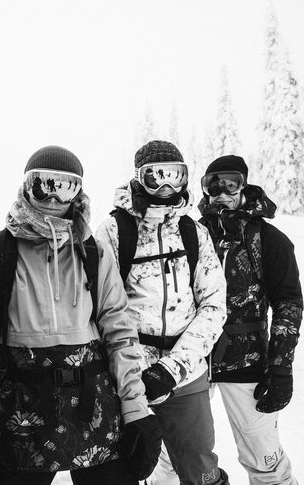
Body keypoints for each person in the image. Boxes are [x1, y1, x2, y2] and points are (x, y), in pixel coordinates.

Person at [0, 146, 162, 485]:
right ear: (25, 187)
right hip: (20, 409)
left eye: (65, 186)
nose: (53, 196)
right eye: (43, 184)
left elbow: (119, 333)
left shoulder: (94, 254)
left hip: (94, 402)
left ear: (78, 193)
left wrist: (135, 406)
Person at [97, 140, 229, 485]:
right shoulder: (114, 232)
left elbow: (214, 305)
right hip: (127, 375)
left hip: (185, 374)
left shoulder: (193, 232)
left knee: (199, 466)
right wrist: (134, 367)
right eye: (156, 176)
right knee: (123, 465)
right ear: (139, 179)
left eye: (176, 175)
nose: (167, 186)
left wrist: (173, 368)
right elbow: (101, 308)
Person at [198, 155, 303, 485]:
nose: (221, 192)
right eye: (212, 184)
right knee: (174, 457)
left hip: (248, 364)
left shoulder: (268, 239)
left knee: (264, 460)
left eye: (230, 183)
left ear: (244, 185)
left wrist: (281, 366)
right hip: (192, 362)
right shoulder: (192, 235)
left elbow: (288, 304)